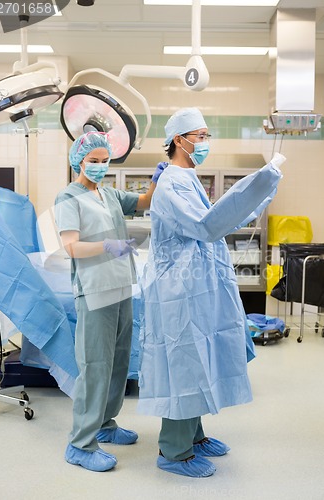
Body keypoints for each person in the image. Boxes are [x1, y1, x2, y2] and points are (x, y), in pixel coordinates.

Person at [137, 107, 285, 478]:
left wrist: (261, 194)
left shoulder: (188, 178)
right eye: (199, 136)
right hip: (178, 291)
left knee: (200, 359)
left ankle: (195, 436)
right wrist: (257, 184)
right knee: (185, 366)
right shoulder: (171, 183)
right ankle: (173, 450)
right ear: (178, 141)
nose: (204, 142)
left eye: (206, 135)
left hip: (198, 287)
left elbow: (224, 217)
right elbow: (206, 226)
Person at [54, 131, 165, 472]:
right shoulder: (67, 199)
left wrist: (157, 182)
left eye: (105, 161)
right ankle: (80, 444)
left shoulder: (109, 193)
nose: (100, 167)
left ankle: (105, 425)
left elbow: (144, 203)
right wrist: (106, 246)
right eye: (94, 161)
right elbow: (71, 247)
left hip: (121, 287)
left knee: (118, 363)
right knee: (95, 366)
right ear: (79, 161)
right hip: (94, 290)